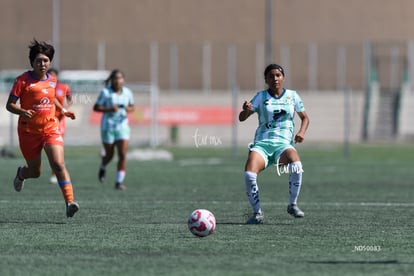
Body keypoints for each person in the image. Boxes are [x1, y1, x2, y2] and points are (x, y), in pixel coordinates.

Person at [5, 39, 79, 218]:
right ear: (32, 62)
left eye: (46, 60)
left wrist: (62, 110)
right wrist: (22, 111)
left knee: (59, 164)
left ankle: (70, 202)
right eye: (39, 61)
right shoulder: (22, 81)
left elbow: (51, 97)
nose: (42, 64)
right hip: (28, 132)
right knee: (35, 172)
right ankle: (22, 174)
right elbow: (9, 105)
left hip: (50, 128)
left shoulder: (52, 81)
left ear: (50, 62)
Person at [239, 64, 310, 224]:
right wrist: (245, 110)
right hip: (262, 145)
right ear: (266, 80)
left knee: (296, 164)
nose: (275, 78)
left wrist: (301, 133)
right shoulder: (260, 97)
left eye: (278, 75)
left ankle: (292, 204)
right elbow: (242, 117)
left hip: (283, 145)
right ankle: (257, 213)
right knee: (249, 174)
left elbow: (305, 118)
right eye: (271, 76)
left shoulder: (292, 96)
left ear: (283, 77)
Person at [93, 69, 135, 190]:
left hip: (122, 127)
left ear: (123, 80)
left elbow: (132, 106)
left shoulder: (127, 92)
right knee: (110, 154)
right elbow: (96, 107)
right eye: (115, 78)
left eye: (120, 78)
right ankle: (103, 165)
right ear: (112, 80)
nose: (118, 81)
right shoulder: (106, 92)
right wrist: (109, 109)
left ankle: (119, 182)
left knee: (122, 154)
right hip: (108, 127)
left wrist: (129, 109)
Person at [47, 68, 73, 184]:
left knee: (57, 147)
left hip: (60, 121)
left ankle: (55, 173)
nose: (52, 77)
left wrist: (66, 108)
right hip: (48, 120)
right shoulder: (44, 87)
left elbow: (70, 100)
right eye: (50, 75)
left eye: (54, 75)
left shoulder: (64, 87)